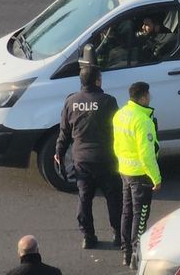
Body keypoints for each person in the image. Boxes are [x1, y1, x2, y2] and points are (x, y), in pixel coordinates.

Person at [55, 65, 122, 250]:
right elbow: (118, 129)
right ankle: (118, 234)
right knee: (113, 197)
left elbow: (64, 133)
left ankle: (88, 236)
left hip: (82, 160)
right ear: (98, 81)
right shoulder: (108, 101)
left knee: (84, 198)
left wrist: (59, 153)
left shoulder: (71, 102)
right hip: (106, 158)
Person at [113, 82, 161, 269]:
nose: (150, 97)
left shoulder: (120, 114)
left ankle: (125, 253)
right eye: (148, 94)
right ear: (142, 97)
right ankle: (136, 253)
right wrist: (156, 178)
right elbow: (147, 154)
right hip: (140, 174)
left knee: (127, 212)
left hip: (124, 170)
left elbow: (116, 145)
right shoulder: (143, 121)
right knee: (140, 215)